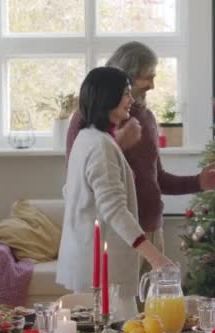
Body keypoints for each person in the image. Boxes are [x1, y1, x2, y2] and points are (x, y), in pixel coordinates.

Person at [67, 41, 215, 252]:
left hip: (151, 229)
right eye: (147, 77)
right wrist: (119, 142)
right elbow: (78, 178)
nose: (152, 85)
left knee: (153, 286)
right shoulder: (85, 118)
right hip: (113, 233)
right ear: (127, 77)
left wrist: (198, 182)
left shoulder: (147, 118)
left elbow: (157, 179)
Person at [57, 67, 170, 319]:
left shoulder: (87, 139)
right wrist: (155, 257)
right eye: (125, 93)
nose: (131, 99)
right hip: (104, 275)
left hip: (94, 266)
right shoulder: (99, 145)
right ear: (107, 97)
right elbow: (115, 208)